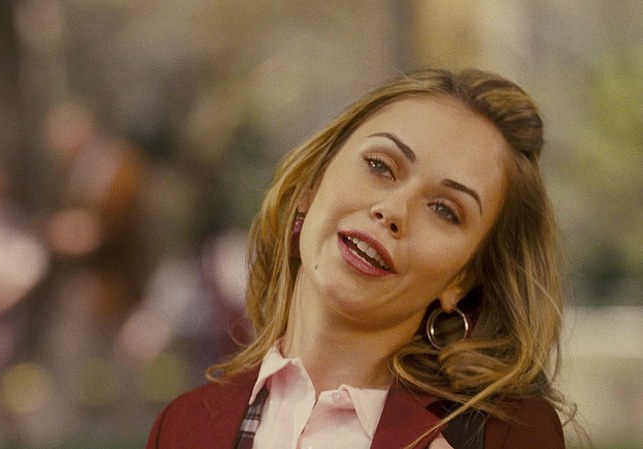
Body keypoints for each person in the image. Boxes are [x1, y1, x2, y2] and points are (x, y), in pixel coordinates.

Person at [145, 68, 574, 449]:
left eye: (445, 210)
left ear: (463, 279)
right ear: (311, 182)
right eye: (380, 166)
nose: (393, 210)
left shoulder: (506, 436)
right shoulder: (181, 428)